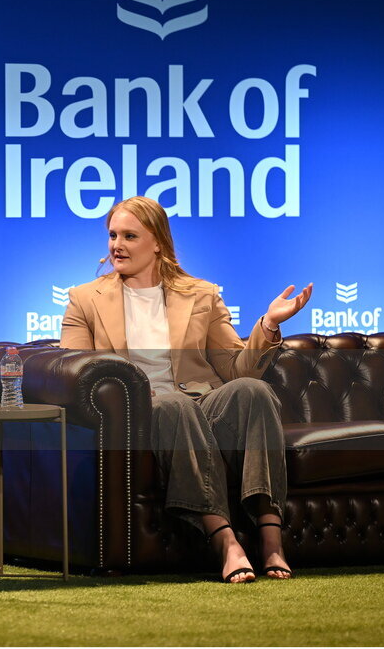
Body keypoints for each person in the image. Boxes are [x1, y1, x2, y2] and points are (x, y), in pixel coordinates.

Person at [61, 196, 312, 583]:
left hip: (202, 403)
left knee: (252, 392)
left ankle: (271, 538)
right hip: (144, 413)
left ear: (157, 241)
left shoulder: (201, 294)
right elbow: (73, 369)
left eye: (129, 235)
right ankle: (225, 541)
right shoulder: (85, 299)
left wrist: (268, 325)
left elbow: (235, 367)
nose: (117, 245)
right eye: (112, 235)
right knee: (175, 404)